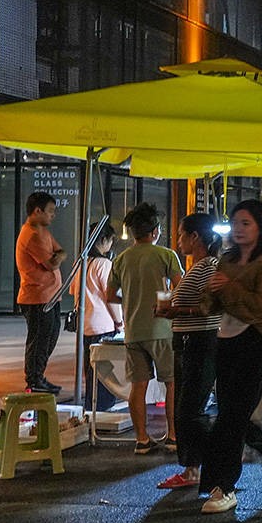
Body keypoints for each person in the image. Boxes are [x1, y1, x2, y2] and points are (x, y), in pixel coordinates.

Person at [197, 199, 262, 513]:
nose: (239, 229)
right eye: (235, 222)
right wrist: (206, 295)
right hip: (226, 340)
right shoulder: (226, 258)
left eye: (246, 222)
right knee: (231, 414)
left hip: (256, 343)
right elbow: (211, 302)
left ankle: (224, 486)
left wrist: (228, 289)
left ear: (259, 226)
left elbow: (261, 309)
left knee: (230, 417)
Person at [108, 203, 183, 454]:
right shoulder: (166, 255)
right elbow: (181, 288)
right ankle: (173, 436)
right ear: (155, 231)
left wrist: (130, 299)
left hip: (133, 332)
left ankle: (142, 440)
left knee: (138, 386)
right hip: (162, 330)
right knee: (172, 383)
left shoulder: (120, 259)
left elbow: (110, 295)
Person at [153, 213, 222, 490]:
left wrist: (175, 309)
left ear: (195, 237)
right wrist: (171, 311)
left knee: (188, 410)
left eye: (182, 234)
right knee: (187, 408)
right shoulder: (197, 266)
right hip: (186, 341)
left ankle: (208, 461)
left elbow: (212, 306)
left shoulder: (208, 266)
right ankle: (195, 467)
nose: (178, 239)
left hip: (199, 342)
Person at [16, 191, 67, 394]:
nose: (53, 215)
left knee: (50, 335)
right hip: (37, 297)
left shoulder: (43, 231)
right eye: (50, 211)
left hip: (51, 296)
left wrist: (59, 256)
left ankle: (39, 376)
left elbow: (60, 251)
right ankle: (34, 379)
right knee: (39, 339)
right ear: (37, 211)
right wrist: (57, 257)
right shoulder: (32, 235)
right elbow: (51, 263)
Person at [68, 224, 122, 411]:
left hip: (86, 324)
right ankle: (102, 409)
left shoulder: (80, 262)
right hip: (104, 324)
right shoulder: (104, 264)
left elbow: (73, 291)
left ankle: (91, 407)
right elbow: (112, 297)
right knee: (104, 372)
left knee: (90, 369)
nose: (111, 244)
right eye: (111, 240)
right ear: (104, 240)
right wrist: (119, 322)